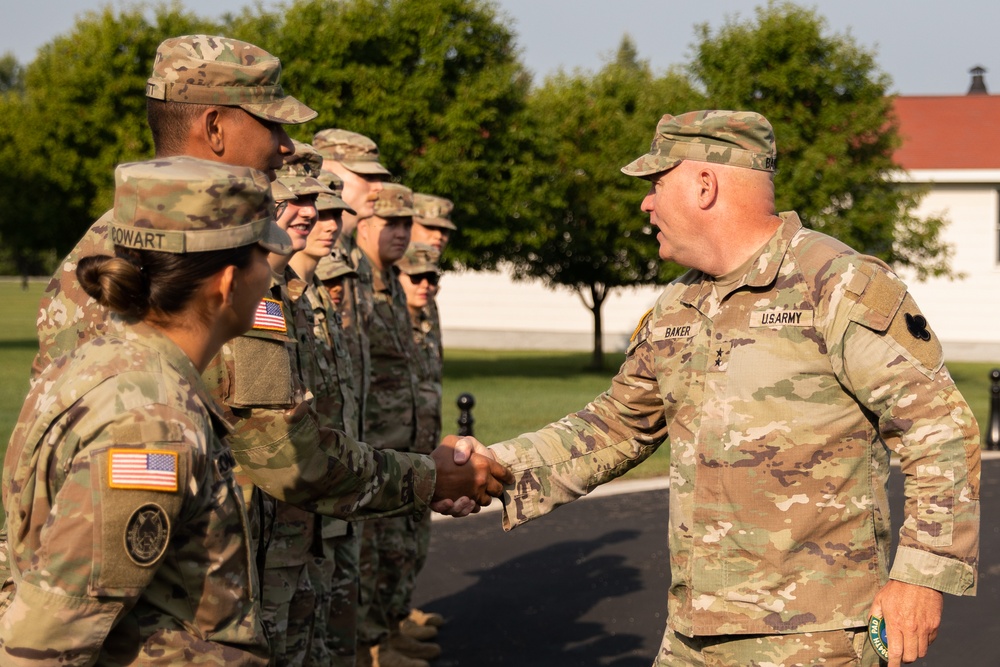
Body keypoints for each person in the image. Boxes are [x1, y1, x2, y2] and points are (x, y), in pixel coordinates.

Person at [470, 110, 981, 667]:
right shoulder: (677, 306)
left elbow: (940, 431)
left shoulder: (837, 284)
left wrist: (920, 576)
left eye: (657, 185)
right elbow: (616, 425)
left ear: (705, 185)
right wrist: (495, 466)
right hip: (692, 633)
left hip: (816, 639)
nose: (646, 204)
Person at [0, 157, 288, 664]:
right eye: (263, 256)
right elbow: (47, 639)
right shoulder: (152, 421)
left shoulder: (100, 360)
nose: (271, 273)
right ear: (227, 282)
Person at [33, 34, 313, 379]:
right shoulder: (150, 252)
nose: (287, 146)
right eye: (272, 125)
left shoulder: (218, 235)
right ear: (214, 128)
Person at [395, 243, 446, 646]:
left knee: (413, 540)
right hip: (390, 449)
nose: (426, 285)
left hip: (422, 447)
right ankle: (381, 635)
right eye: (417, 277)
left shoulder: (428, 320)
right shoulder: (386, 318)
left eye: (433, 278)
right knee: (385, 547)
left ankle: (397, 615)